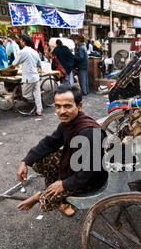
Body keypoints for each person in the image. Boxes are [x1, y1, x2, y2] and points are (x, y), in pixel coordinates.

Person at [16, 84, 108, 216]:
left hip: (91, 179)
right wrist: (25, 161)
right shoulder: (68, 123)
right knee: (42, 159)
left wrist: (64, 184)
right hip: (78, 167)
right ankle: (60, 198)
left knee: (49, 196)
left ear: (79, 106)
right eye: (58, 106)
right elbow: (50, 142)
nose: (61, 111)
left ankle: (40, 196)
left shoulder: (89, 133)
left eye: (67, 106)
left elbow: (90, 173)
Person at [11, 34, 43, 116]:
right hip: (35, 76)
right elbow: (39, 64)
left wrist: (10, 67)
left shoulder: (23, 52)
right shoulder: (34, 52)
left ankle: (34, 101)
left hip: (29, 77)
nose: (20, 42)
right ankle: (39, 110)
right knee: (37, 94)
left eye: (21, 41)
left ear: (24, 42)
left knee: (25, 94)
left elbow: (14, 63)